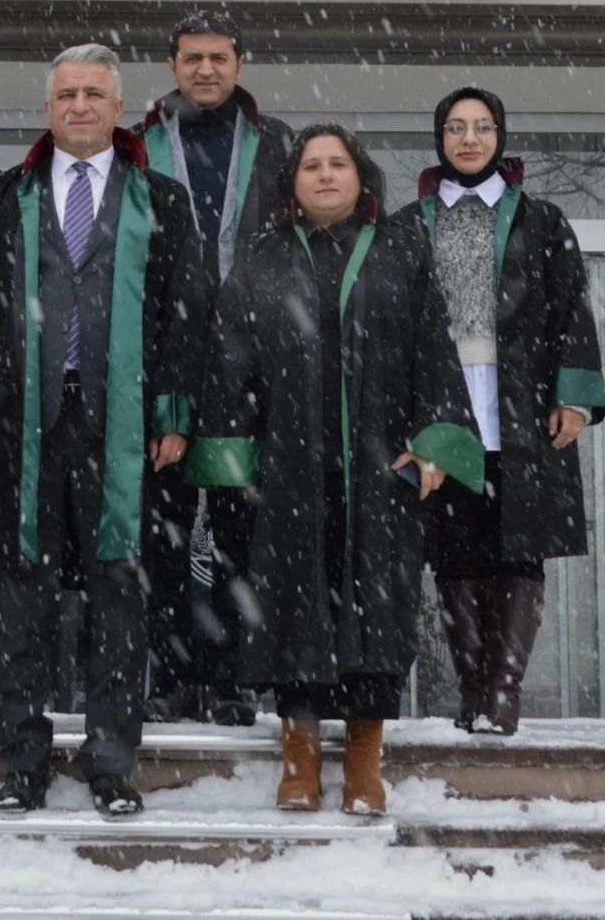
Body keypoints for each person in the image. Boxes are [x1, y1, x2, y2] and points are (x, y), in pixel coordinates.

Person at [187, 125, 483, 815]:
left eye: (338, 164)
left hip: (376, 473)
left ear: (360, 175)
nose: (325, 175)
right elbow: (228, 362)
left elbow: (434, 352)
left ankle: (362, 760)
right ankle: (299, 755)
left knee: (376, 611)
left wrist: (433, 446)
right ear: (292, 182)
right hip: (287, 474)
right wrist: (236, 464)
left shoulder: (400, 253)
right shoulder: (262, 260)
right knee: (294, 608)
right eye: (312, 166)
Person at [0, 44, 205, 817]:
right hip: (21, 425)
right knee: (20, 597)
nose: (81, 105)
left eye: (95, 94)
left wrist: (172, 413)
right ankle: (23, 765)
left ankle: (111, 763)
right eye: (67, 95)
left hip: (121, 427)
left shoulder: (160, 199)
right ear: (48, 107)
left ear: (119, 108)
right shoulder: (4, 199)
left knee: (119, 597)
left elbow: (186, 315)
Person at [394, 87, 605, 736]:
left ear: (500, 138)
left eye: (482, 127)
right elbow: (392, 327)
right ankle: (470, 690)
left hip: (521, 411)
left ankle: (504, 691)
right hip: (441, 412)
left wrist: (574, 396)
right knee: (455, 553)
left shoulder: (541, 221)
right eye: (456, 128)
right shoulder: (410, 225)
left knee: (518, 551)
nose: (469, 139)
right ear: (439, 139)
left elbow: (572, 310)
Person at [135, 10, 296, 725]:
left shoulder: (276, 144)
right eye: (192, 58)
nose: (206, 69)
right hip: (160, 357)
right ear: (172, 66)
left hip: (247, 363)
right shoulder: (138, 146)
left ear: (240, 63)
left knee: (236, 528)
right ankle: (171, 676)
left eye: (219, 57)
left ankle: (232, 678)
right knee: (163, 528)